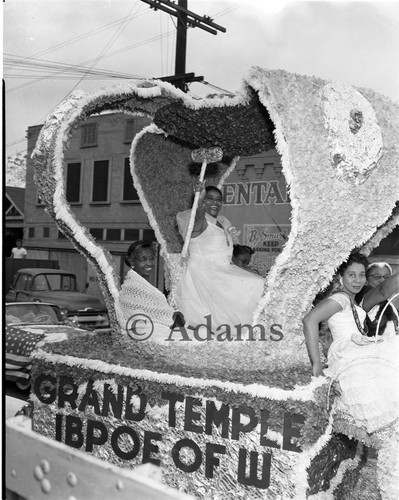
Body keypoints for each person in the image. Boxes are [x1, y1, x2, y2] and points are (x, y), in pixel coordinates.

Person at [303, 251, 399, 440]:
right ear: (341, 277)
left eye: (362, 275)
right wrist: (316, 365)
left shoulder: (350, 300)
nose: (357, 280)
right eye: (351, 275)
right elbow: (309, 320)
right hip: (346, 352)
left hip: (358, 348)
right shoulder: (340, 299)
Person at [175, 183, 265, 328]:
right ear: (202, 201)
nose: (215, 202)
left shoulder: (222, 223)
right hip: (204, 276)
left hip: (222, 272)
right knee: (257, 285)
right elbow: (199, 214)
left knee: (259, 283)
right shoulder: (198, 222)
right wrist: (199, 199)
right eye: (209, 198)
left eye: (218, 199)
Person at [119, 241, 175, 341]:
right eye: (143, 259)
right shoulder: (132, 287)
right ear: (132, 261)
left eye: (151, 258)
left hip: (154, 330)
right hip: (148, 333)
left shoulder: (140, 283)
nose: (149, 263)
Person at [356, 262, 398, 338]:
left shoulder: (389, 303)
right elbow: (382, 291)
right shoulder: (364, 297)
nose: (382, 280)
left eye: (386, 277)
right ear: (366, 280)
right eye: (377, 277)